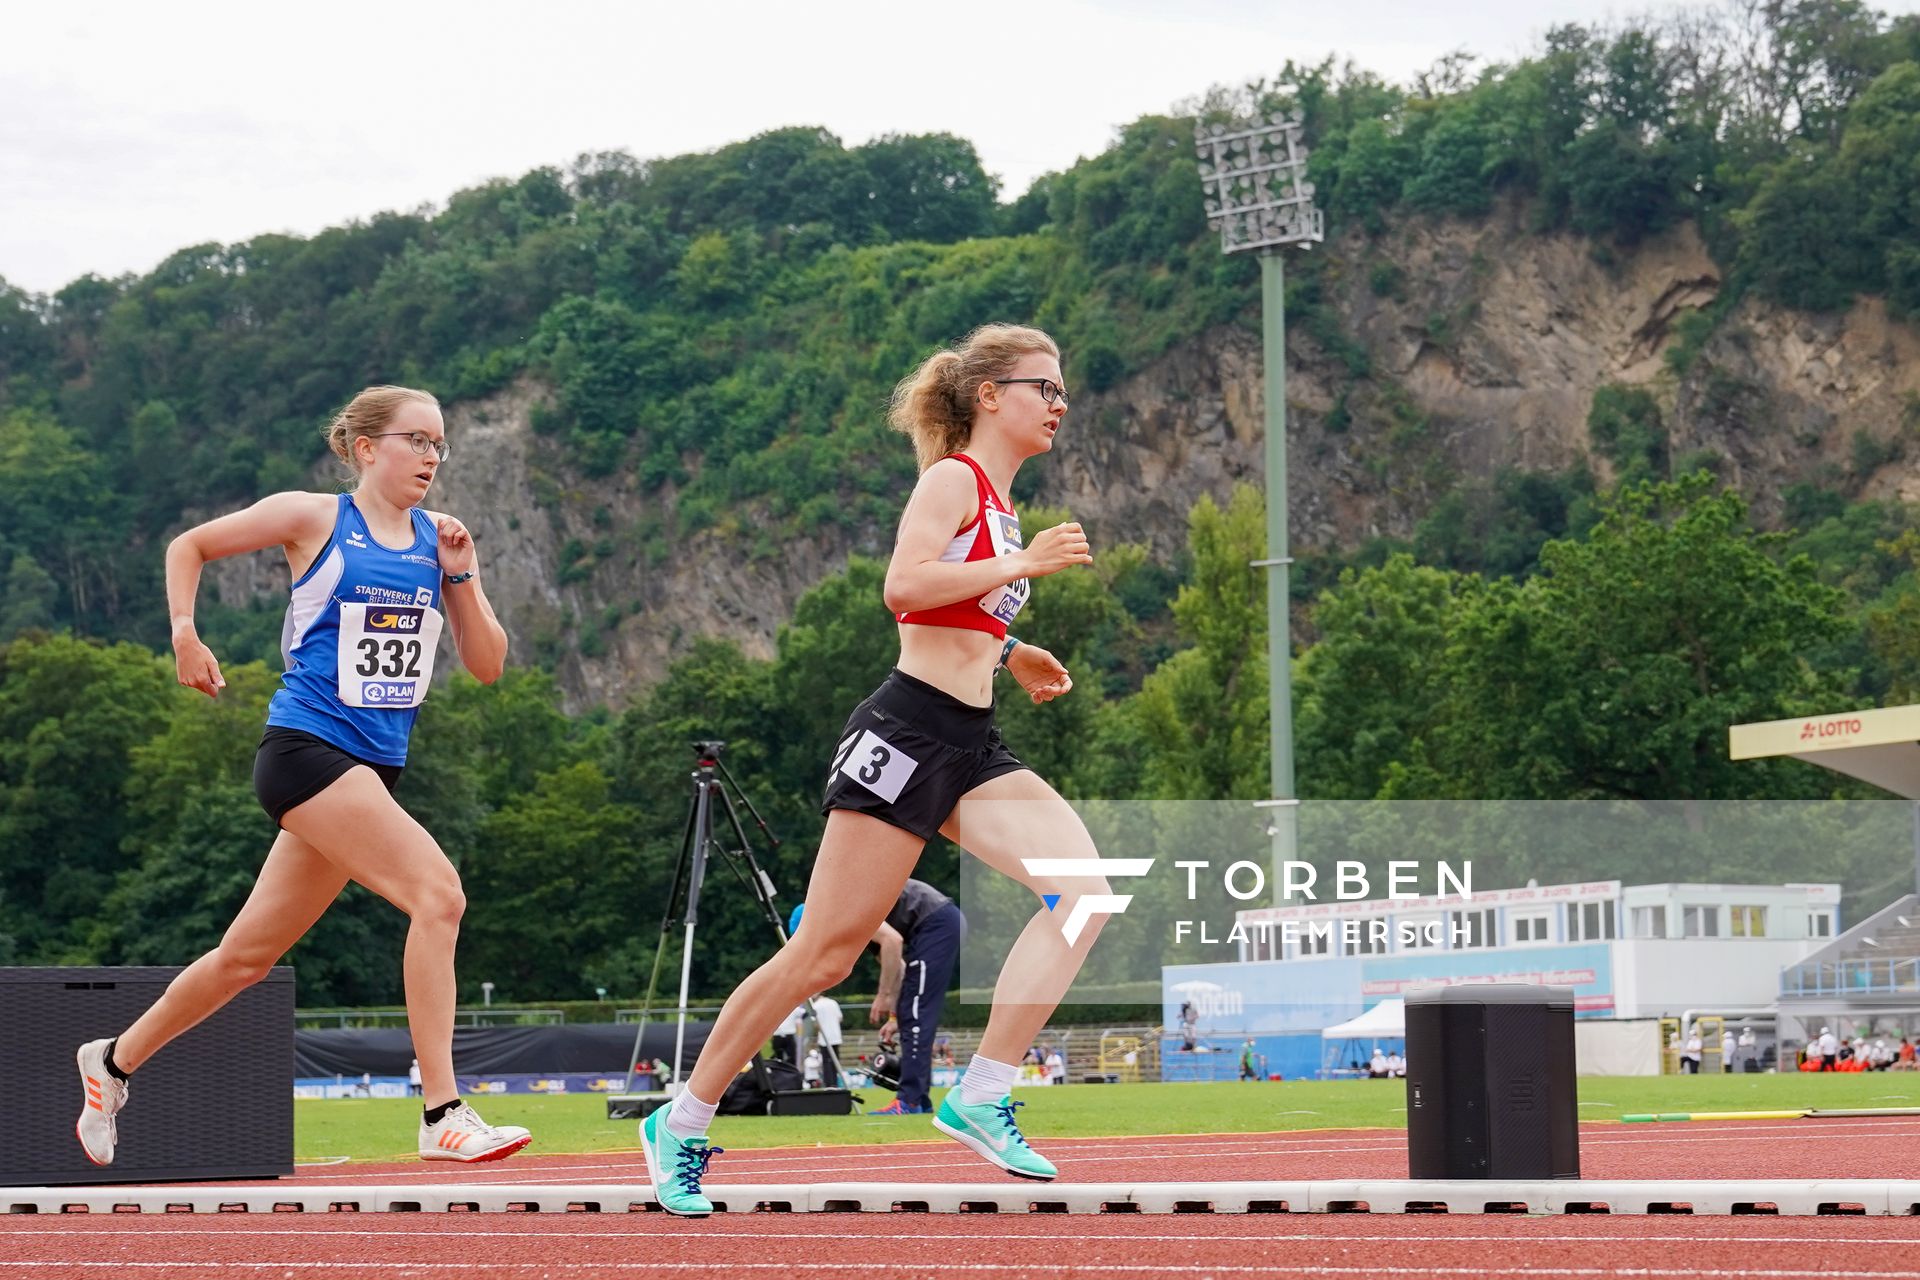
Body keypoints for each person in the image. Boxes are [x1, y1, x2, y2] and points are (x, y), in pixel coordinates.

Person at [637, 324, 1103, 1217]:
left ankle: (982, 1091)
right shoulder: (952, 481)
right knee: (822, 955)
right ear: (989, 396)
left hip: (971, 739)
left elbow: (954, 613)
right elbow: (904, 588)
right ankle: (682, 1121)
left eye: (1061, 391)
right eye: (1043, 388)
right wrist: (1025, 564)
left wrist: (1012, 648)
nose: (1058, 404)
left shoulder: (1001, 505)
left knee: (1082, 890)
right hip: (906, 733)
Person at [73, 385, 530, 1168]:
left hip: (368, 774)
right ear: (366, 448)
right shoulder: (314, 518)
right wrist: (185, 633)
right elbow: (189, 546)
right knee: (439, 894)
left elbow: (487, 667)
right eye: (416, 441)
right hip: (307, 751)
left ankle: (111, 1061)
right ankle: (442, 1112)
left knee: (244, 960)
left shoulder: (439, 542)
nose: (431, 458)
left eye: (438, 446)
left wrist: (463, 575)